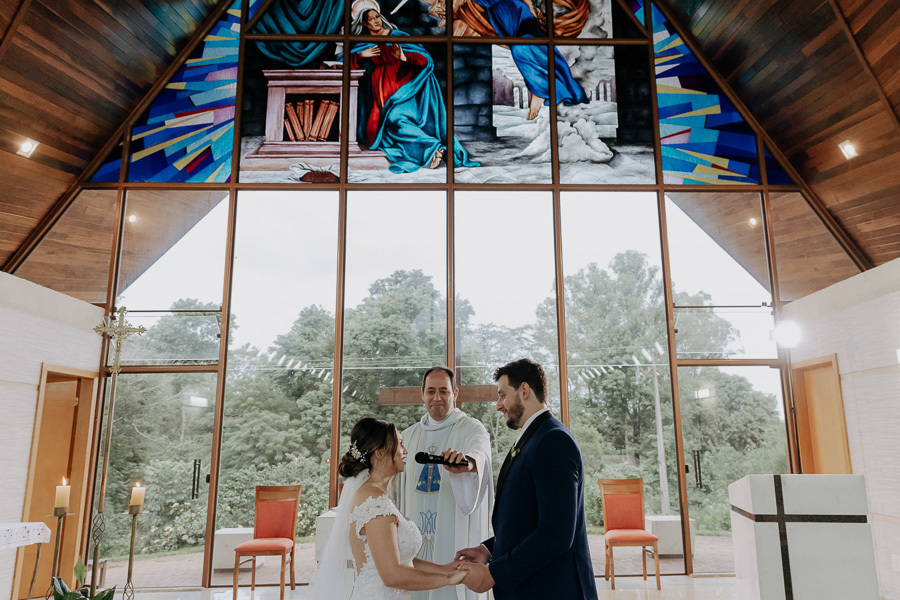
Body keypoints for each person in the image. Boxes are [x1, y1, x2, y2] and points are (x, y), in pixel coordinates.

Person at [455, 359, 596, 599]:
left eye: (502, 395)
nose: (498, 405)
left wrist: (494, 573)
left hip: (552, 590)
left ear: (524, 390)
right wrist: (489, 550)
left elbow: (556, 533)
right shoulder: (536, 437)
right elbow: (527, 520)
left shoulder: (553, 440)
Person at [308, 417, 466, 600]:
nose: (405, 451)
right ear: (380, 453)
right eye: (400, 444)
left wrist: (444, 569)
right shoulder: (374, 503)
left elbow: (398, 557)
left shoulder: (376, 496)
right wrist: (448, 579)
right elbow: (392, 576)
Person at [392, 367, 493, 600]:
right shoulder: (408, 436)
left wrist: (467, 463)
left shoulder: (471, 428)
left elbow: (480, 454)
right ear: (422, 394)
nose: (437, 397)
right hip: (415, 537)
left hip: (456, 538)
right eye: (431, 391)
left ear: (455, 393)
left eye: (444, 391)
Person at [347, 0, 479, 173]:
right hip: (380, 96)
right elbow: (344, 63)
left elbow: (425, 59)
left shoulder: (398, 36)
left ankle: (431, 149)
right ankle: (422, 151)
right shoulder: (363, 43)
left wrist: (404, 57)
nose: (375, 21)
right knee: (378, 135)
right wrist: (360, 56)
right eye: (370, 19)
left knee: (398, 120)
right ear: (364, 23)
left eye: (377, 17)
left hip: (404, 91)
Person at [455, 0, 588, 119]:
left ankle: (540, 91)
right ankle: (551, 88)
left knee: (522, 48)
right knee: (532, 49)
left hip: (513, 11)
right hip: (505, 16)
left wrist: (530, 6)